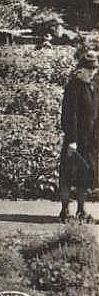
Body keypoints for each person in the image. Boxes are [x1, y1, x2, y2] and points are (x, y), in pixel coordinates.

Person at [59, 50, 98, 223]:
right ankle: (65, 211)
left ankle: (81, 210)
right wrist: (72, 141)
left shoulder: (93, 87)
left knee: (85, 175)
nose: (92, 73)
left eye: (94, 70)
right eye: (89, 70)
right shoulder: (73, 87)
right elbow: (69, 116)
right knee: (68, 174)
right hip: (74, 139)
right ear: (80, 70)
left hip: (89, 140)